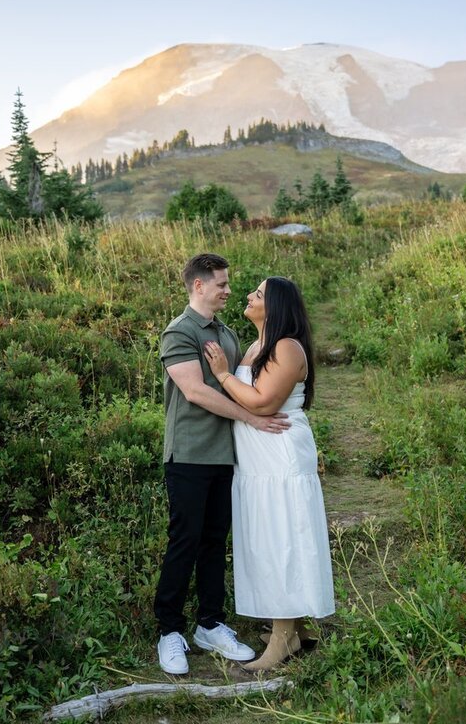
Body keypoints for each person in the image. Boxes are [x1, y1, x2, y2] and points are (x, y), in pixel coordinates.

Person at [154, 253, 291, 676]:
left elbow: (244, 383)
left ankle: (210, 623)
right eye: (221, 284)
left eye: (229, 283)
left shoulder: (227, 333)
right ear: (199, 286)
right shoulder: (179, 332)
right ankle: (169, 631)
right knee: (185, 540)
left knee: (215, 542)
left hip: (227, 455)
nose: (228, 290)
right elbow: (195, 392)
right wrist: (252, 418)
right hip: (191, 454)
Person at [203, 276, 335, 672]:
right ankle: (289, 628)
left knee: (283, 538)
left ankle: (283, 638)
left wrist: (224, 375)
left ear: (275, 307)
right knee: (266, 537)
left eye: (257, 294)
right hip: (257, 460)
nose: (248, 296)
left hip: (280, 458)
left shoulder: (287, 347)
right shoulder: (258, 346)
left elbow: (262, 404)